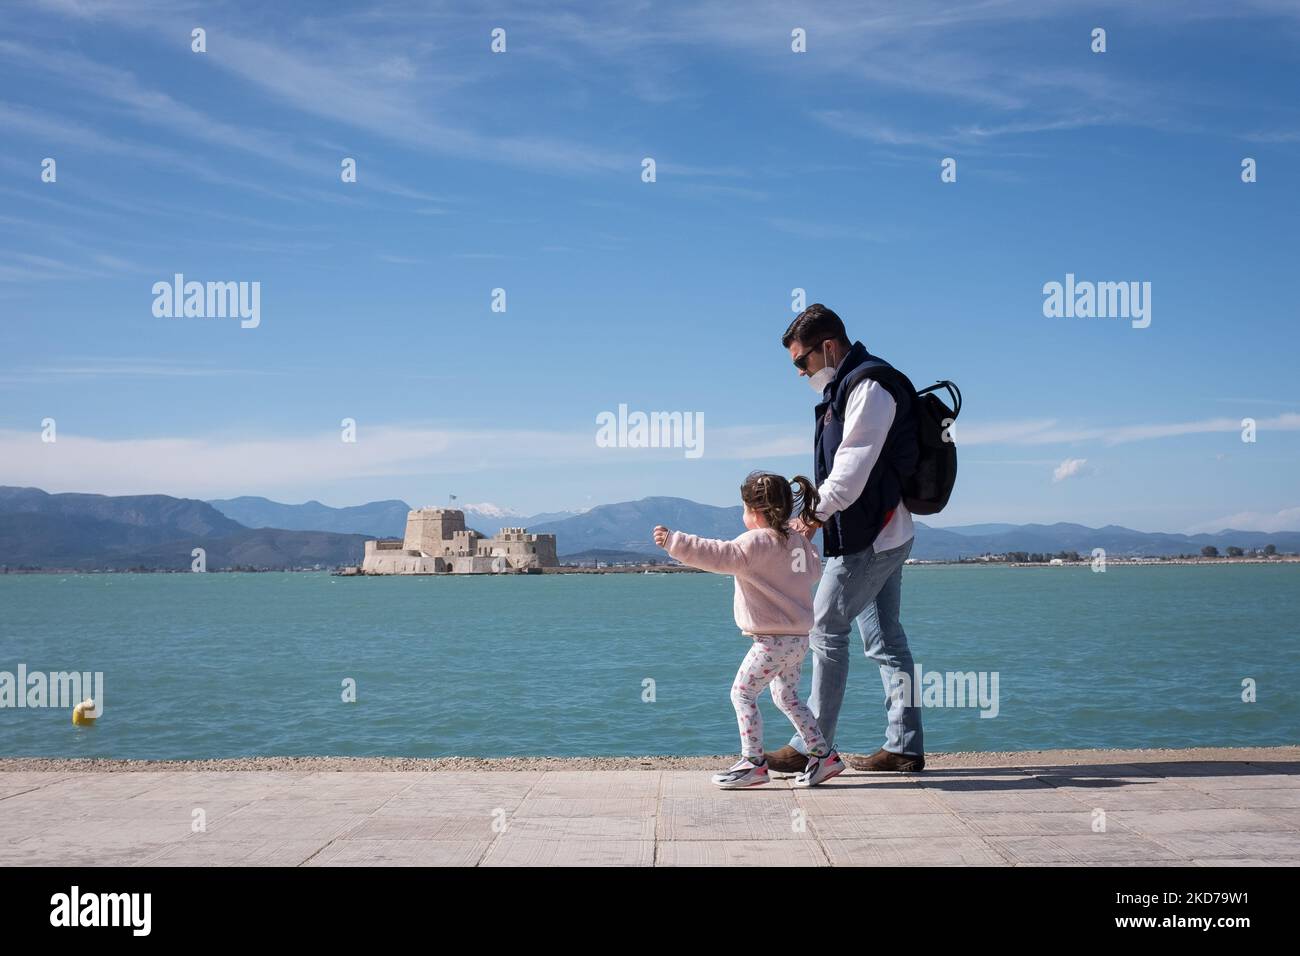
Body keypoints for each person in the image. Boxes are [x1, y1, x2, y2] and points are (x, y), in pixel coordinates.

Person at [765, 303, 926, 775]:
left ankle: (812, 745)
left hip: (870, 537)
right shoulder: (848, 386)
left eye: (802, 362)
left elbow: (852, 466)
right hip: (882, 533)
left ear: (828, 347)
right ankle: (904, 747)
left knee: (824, 630)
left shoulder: (870, 387)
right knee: (886, 641)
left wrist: (811, 516)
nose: (800, 373)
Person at [653, 471, 846, 789]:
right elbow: (812, 570)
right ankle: (823, 757)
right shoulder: (797, 542)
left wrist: (675, 541)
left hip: (771, 641)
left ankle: (754, 763)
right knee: (787, 697)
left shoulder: (755, 542)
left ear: (754, 512)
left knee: (742, 694)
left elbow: (717, 555)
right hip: (798, 640)